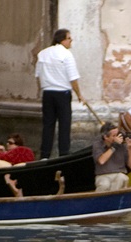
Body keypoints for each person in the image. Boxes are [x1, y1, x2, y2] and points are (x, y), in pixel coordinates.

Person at [35, 28, 84, 159]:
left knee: (48, 125)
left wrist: (44, 89)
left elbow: (38, 76)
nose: (71, 40)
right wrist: (79, 95)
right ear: (62, 39)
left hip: (48, 93)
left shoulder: (43, 54)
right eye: (69, 38)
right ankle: (64, 155)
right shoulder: (66, 54)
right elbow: (73, 78)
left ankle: (44, 155)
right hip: (62, 94)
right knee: (64, 125)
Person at [92, 121, 131, 192]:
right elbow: (101, 161)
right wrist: (114, 147)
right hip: (103, 175)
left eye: (117, 134)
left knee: (122, 178)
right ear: (106, 137)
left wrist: (130, 148)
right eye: (114, 136)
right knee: (104, 185)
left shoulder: (122, 145)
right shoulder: (97, 145)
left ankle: (113, 200)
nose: (117, 137)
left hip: (119, 173)